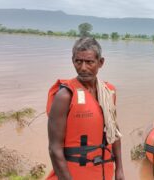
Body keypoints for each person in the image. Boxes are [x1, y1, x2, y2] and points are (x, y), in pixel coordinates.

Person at [46, 37, 124, 180]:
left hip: (104, 171)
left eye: (89, 62)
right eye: (78, 61)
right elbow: (54, 148)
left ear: (100, 62)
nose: (83, 67)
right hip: (75, 173)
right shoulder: (64, 96)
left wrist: (119, 169)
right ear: (73, 61)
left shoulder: (108, 92)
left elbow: (114, 131)